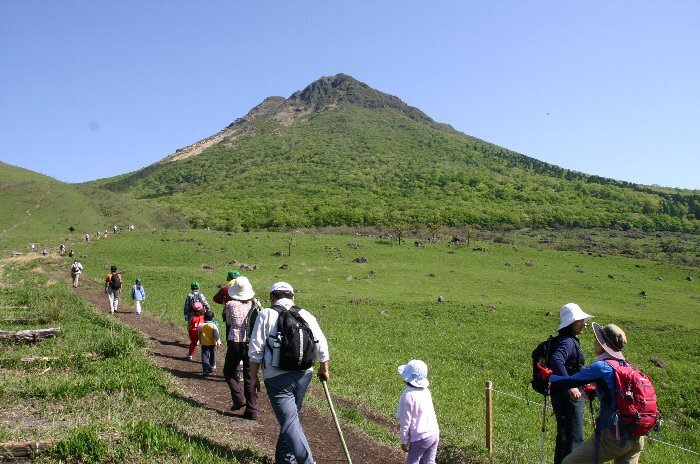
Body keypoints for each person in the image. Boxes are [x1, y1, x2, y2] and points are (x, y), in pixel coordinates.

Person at [249, 282, 329, 464]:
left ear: (272, 298)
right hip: (304, 374)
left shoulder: (265, 314)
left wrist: (253, 377)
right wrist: (324, 369)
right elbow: (321, 344)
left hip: (276, 377)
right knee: (291, 419)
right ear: (293, 297)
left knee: (290, 422)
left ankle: (308, 462)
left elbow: (255, 349)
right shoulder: (305, 314)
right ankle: (284, 459)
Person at [543, 323, 645, 464]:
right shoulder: (628, 366)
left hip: (613, 436)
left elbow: (571, 381)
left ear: (603, 344)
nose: (594, 341)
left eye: (597, 339)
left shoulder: (602, 366)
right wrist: (597, 392)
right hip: (636, 436)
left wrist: (549, 377)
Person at [549, 303, 594, 464]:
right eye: (579, 320)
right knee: (574, 438)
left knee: (564, 436)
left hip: (562, 394)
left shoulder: (566, 340)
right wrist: (571, 385)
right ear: (570, 323)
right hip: (569, 397)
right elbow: (556, 360)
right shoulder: (567, 342)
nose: (584, 323)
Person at [223, 276, 261, 419]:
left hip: (236, 342)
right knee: (249, 375)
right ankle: (252, 410)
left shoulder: (230, 305)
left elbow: (229, 321)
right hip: (251, 343)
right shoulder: (255, 303)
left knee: (229, 371)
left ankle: (239, 397)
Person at [396, 359, 440, 464]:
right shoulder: (426, 391)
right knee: (430, 461)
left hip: (420, 437)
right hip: (434, 433)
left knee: (413, 461)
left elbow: (405, 421)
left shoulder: (408, 396)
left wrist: (404, 441)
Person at [213, 269, 241, 339]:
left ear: (229, 278)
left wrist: (223, 300)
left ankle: (229, 345)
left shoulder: (226, 288)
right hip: (242, 312)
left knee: (229, 331)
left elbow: (216, 298)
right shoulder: (243, 287)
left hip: (229, 312)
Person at [199, 310, 221, 374]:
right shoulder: (214, 326)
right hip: (212, 343)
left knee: (205, 356)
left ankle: (206, 368)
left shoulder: (201, 326)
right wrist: (218, 342)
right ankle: (211, 366)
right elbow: (216, 335)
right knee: (213, 355)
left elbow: (199, 334)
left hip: (204, 343)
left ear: (204, 318)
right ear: (212, 318)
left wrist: (200, 341)